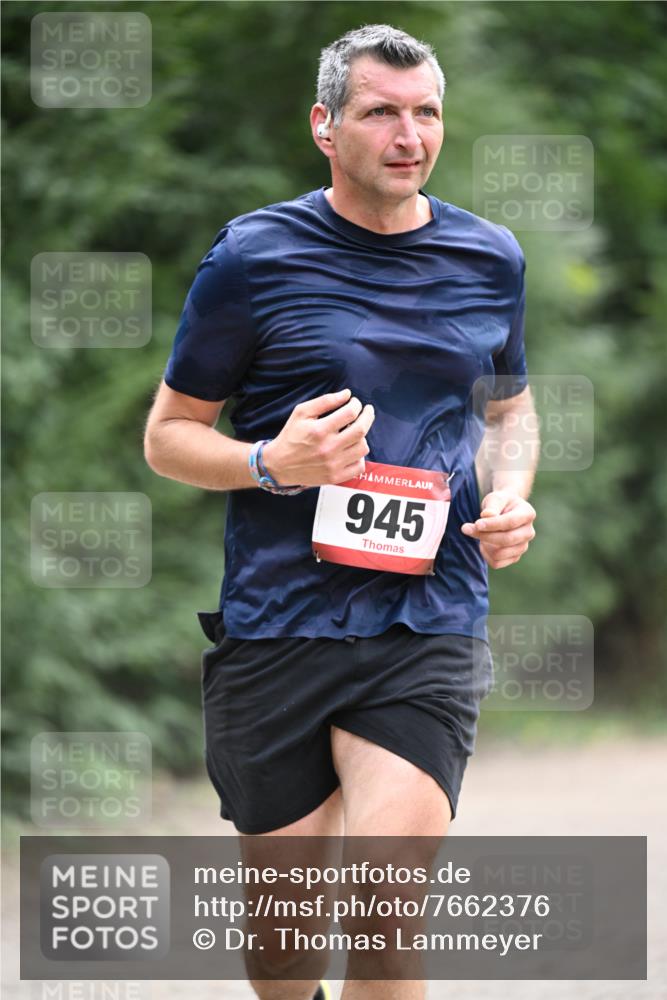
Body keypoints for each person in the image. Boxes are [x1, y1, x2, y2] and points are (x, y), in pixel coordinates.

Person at [144, 23, 538, 1000]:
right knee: (282, 949)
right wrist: (272, 462)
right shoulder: (252, 256)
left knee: (387, 913)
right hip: (280, 622)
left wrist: (511, 490)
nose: (409, 135)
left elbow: (511, 408)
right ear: (325, 125)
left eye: (426, 113)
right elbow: (167, 435)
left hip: (427, 615)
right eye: (380, 112)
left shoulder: (491, 259)